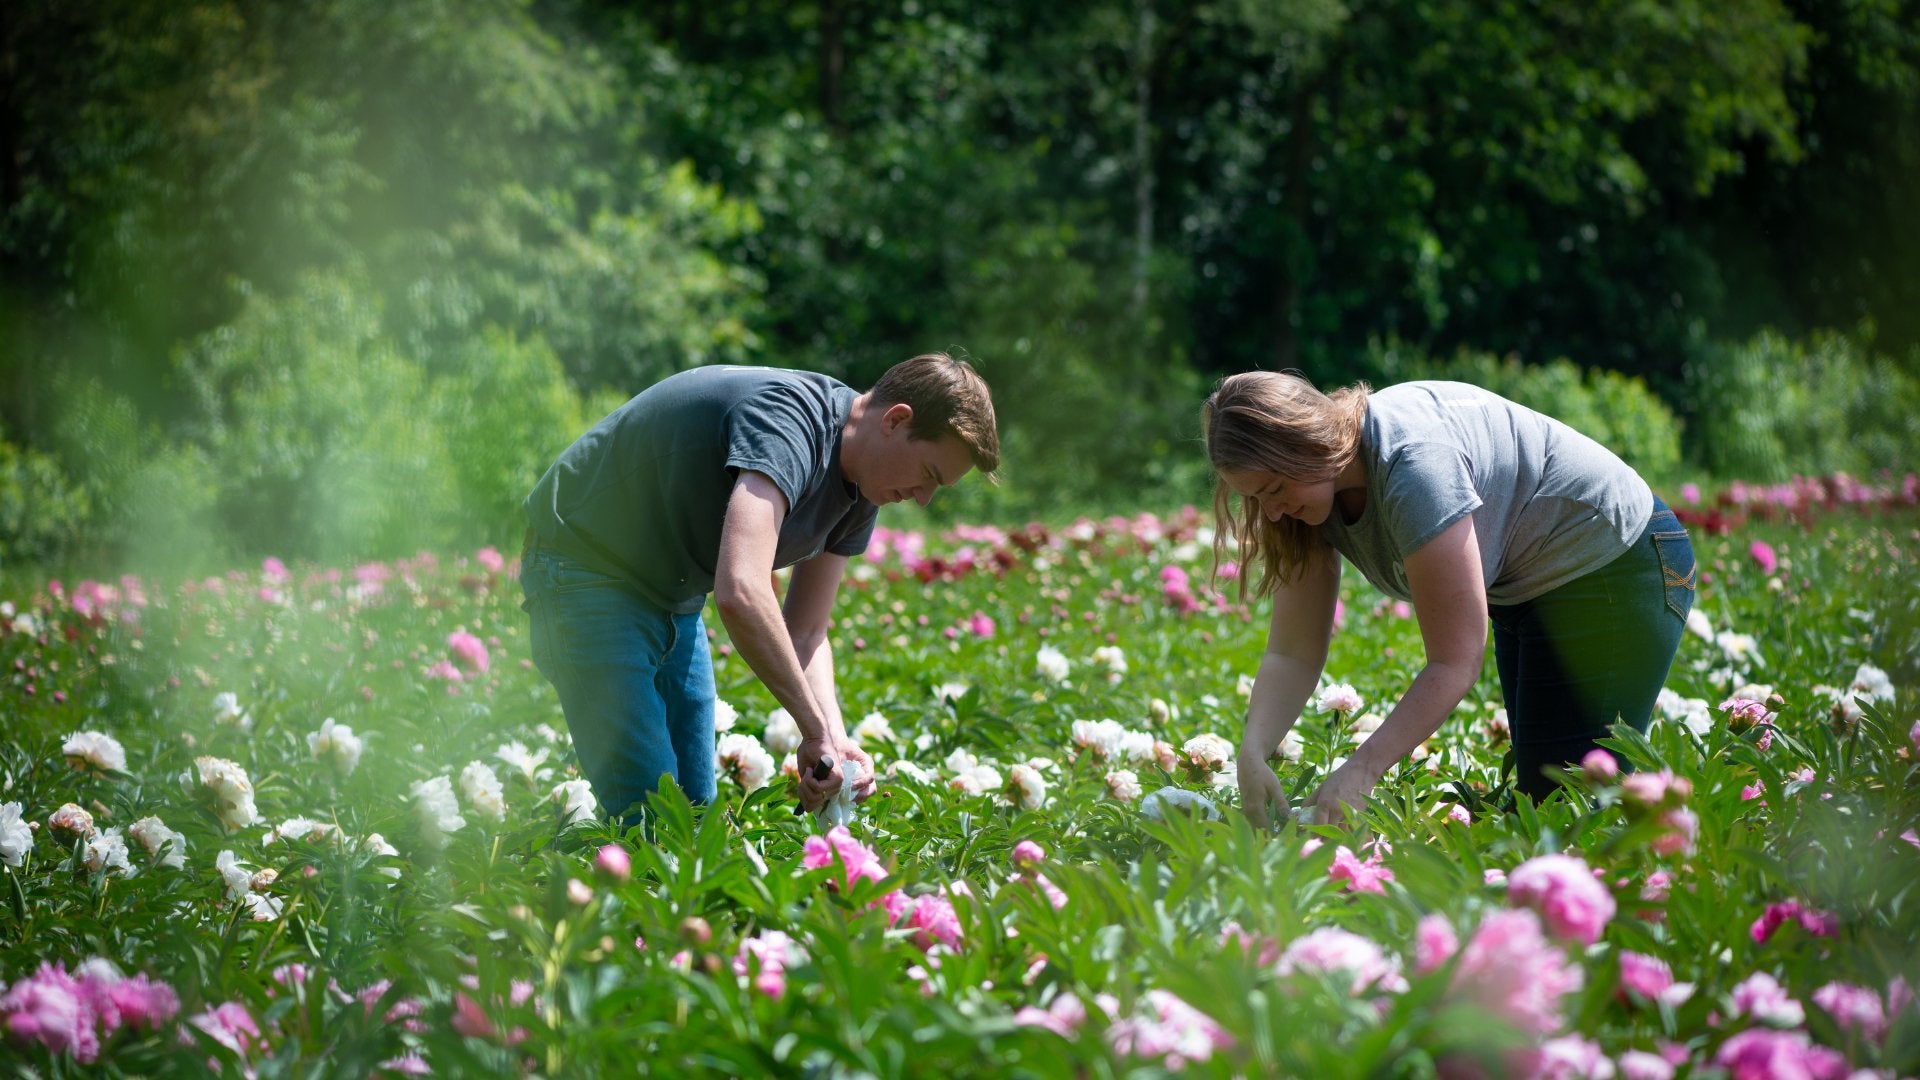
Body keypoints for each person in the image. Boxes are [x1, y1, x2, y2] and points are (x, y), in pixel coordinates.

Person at [521, 354, 999, 821]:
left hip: (671, 594)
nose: (922, 500)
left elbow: (808, 630)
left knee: (693, 813)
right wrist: (811, 729)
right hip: (582, 567)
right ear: (896, 420)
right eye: (929, 475)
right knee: (650, 818)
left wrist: (833, 739)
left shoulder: (866, 486)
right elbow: (742, 590)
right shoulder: (789, 425)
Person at [1203, 372, 1695, 824]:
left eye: (1274, 488)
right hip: (1531, 587)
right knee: (1546, 804)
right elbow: (1293, 650)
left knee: (1568, 811)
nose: (1269, 514)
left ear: (1308, 444)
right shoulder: (1307, 499)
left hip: (1618, 563)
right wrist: (1253, 749)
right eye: (1254, 498)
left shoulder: (1413, 465)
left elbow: (1454, 660)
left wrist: (1361, 771)